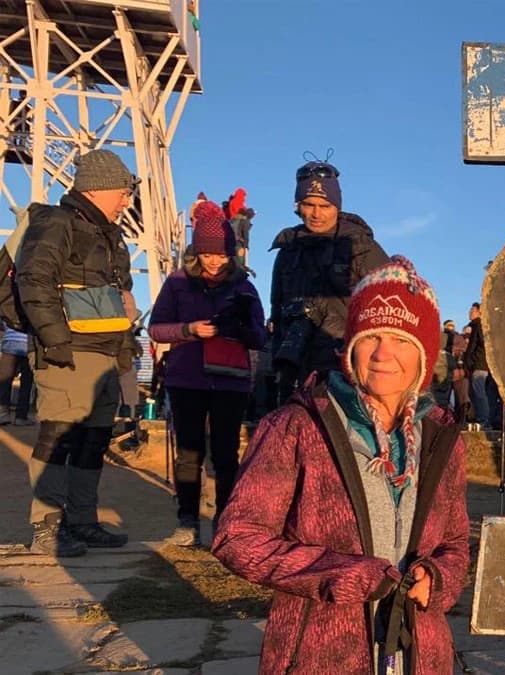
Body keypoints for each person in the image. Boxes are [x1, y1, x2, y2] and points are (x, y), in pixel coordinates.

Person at [213, 256, 469, 674]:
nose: (384, 354)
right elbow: (237, 537)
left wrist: (436, 578)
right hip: (319, 653)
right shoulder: (294, 427)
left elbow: (456, 543)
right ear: (349, 347)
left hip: (419, 652)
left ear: (424, 357)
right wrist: (340, 574)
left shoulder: (442, 438)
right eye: (372, 337)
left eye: (402, 340)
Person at [18, 148, 139, 556]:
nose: (127, 200)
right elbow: (34, 280)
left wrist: (125, 344)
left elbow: (114, 296)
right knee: (59, 436)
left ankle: (82, 521)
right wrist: (56, 341)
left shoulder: (110, 234)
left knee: (93, 439)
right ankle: (47, 528)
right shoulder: (55, 222)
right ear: (101, 187)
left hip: (106, 353)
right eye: (124, 191)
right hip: (69, 352)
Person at [149, 201, 267, 546]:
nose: (214, 261)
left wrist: (240, 327)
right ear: (195, 252)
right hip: (187, 378)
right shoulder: (176, 283)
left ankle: (224, 522)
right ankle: (186, 521)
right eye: (207, 254)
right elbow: (156, 329)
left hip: (230, 379)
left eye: (221, 255)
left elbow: (260, 337)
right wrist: (188, 330)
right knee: (188, 452)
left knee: (226, 454)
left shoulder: (245, 287)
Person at [269, 160, 388, 407]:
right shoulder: (288, 251)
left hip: (347, 366)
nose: (316, 213)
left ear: (337, 206)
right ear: (297, 206)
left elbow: (387, 308)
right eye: (308, 205)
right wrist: (279, 361)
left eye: (325, 205)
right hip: (297, 365)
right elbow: (277, 311)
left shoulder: (360, 247)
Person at [462, 302, 497, 429]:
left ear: (480, 312)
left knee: (479, 392)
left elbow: (482, 343)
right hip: (475, 364)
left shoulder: (480, 326)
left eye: (473, 310)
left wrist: (472, 358)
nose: (470, 313)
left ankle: (484, 419)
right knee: (475, 392)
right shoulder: (474, 326)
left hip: (479, 364)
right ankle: (480, 417)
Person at [0, 323, 34, 425]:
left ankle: (3, 413)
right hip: (28, 344)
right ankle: (21, 416)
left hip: (9, 342)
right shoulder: (31, 308)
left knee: (5, 380)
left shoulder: (8, 307)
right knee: (26, 382)